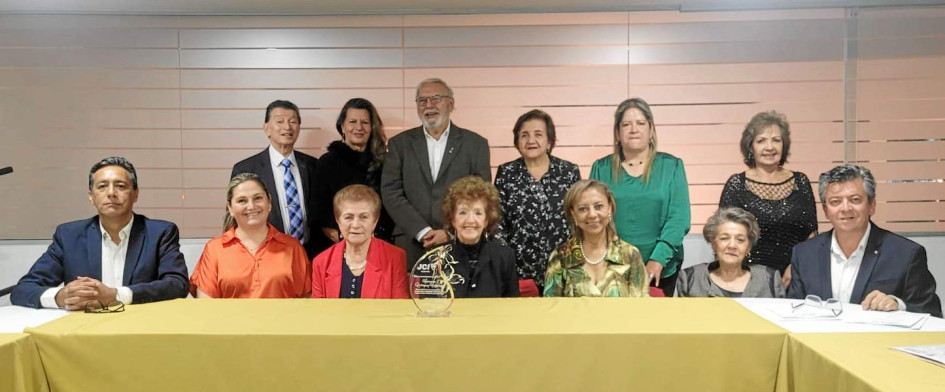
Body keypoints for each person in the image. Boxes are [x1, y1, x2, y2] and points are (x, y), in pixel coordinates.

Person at [11, 157, 189, 309]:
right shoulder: (69, 236)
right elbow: (23, 290)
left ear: (135, 194)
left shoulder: (160, 233)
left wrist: (116, 295)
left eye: (120, 186)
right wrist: (61, 297)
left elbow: (177, 285)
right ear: (91, 196)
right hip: (84, 332)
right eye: (102, 186)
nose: (111, 193)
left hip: (143, 328)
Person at [787, 164, 942, 317]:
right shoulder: (804, 254)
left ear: (871, 206)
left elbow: (932, 313)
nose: (845, 208)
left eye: (855, 199)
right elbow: (793, 311)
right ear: (826, 211)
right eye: (835, 201)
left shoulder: (906, 254)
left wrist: (898, 305)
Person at [381, 78, 491, 267]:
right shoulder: (399, 144)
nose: (429, 105)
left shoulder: (475, 144)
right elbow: (390, 191)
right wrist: (421, 230)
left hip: (460, 241)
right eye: (422, 100)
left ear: (451, 103)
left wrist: (449, 231)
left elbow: (481, 195)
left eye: (436, 98)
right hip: (411, 241)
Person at [589, 98, 690, 296]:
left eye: (641, 123)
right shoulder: (601, 168)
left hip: (661, 269)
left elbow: (678, 219)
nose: (633, 129)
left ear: (651, 130)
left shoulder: (672, 166)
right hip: (611, 268)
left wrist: (657, 260)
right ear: (617, 133)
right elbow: (594, 219)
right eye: (626, 124)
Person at [719, 111, 817, 288]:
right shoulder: (736, 185)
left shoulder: (801, 182)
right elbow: (725, 237)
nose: (769, 147)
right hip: (747, 282)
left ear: (784, 145)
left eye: (776, 140)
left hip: (795, 279)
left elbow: (811, 235)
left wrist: (797, 267)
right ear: (751, 147)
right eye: (761, 140)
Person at [494, 109, 580, 296]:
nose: (531, 140)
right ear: (517, 141)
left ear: (549, 140)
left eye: (538, 134)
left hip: (564, 269)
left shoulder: (568, 171)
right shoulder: (506, 173)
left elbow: (577, 220)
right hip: (520, 274)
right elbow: (498, 223)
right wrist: (507, 266)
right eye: (524, 135)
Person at [232, 100, 330, 259]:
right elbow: (238, 218)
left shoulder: (313, 165)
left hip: (311, 256)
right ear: (266, 128)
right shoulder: (246, 169)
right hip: (266, 255)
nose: (287, 127)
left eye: (293, 122)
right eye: (280, 121)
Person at [190, 174, 311, 298]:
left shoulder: (292, 247)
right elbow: (206, 304)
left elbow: (307, 299)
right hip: (230, 318)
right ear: (230, 208)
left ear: (269, 202)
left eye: (258, 198)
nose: (251, 206)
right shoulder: (215, 249)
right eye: (242, 200)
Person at [544, 180, 648, 297]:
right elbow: (551, 308)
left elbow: (641, 308)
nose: (592, 214)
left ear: (610, 208)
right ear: (574, 214)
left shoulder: (630, 255)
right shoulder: (560, 257)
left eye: (598, 206)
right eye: (583, 209)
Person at [313, 98, 394, 244]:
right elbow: (320, 211)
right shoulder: (327, 163)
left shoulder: (385, 162)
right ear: (342, 126)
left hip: (380, 242)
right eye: (352, 122)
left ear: (372, 127)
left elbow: (390, 207)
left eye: (364, 122)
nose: (359, 127)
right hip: (338, 245)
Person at [423, 176, 518, 298]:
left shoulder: (505, 257)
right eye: (463, 212)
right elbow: (429, 308)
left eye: (478, 213)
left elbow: (512, 307)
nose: (470, 220)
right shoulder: (434, 258)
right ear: (452, 219)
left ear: (486, 220)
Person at [312, 185, 408, 299]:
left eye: (363, 217)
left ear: (375, 221)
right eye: (348, 217)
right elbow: (319, 312)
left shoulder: (395, 257)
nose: (356, 225)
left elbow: (399, 310)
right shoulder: (321, 262)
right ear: (338, 220)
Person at [677, 207, 784, 298]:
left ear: (748, 247)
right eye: (724, 238)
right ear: (713, 242)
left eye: (740, 240)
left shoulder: (769, 279)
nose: (732, 245)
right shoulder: (691, 278)